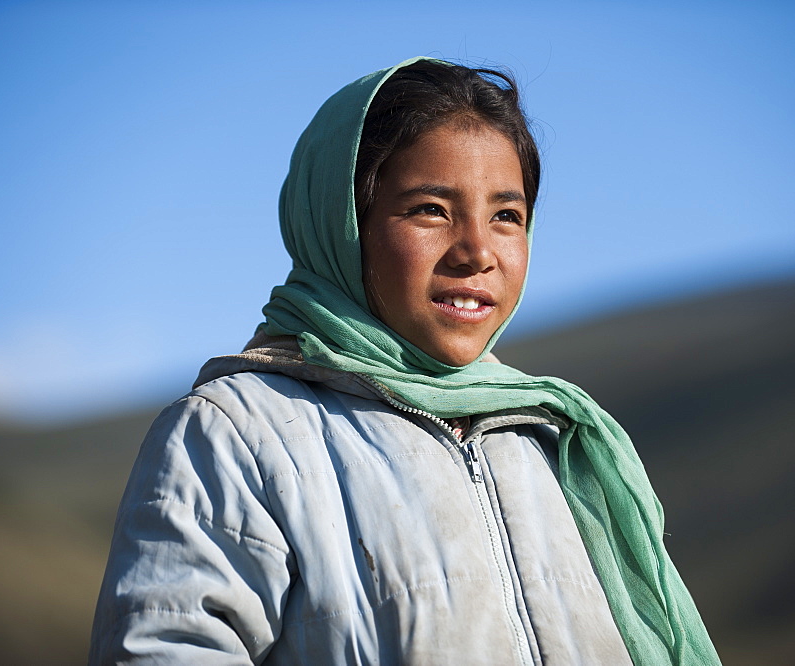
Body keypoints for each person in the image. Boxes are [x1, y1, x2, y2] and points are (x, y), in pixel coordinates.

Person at [89, 56, 720, 665]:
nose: (477, 250)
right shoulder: (236, 434)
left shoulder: (559, 443)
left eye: (507, 215)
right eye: (430, 210)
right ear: (340, 224)